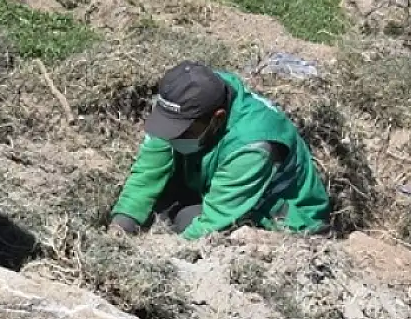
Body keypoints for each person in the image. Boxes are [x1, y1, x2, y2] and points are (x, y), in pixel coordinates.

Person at [110, 61, 330, 240]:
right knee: (157, 207)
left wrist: (160, 259)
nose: (173, 137)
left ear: (218, 119)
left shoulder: (253, 145)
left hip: (283, 214)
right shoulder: (186, 101)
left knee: (187, 219)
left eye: (183, 132)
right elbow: (148, 172)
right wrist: (119, 229)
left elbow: (212, 223)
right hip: (216, 184)